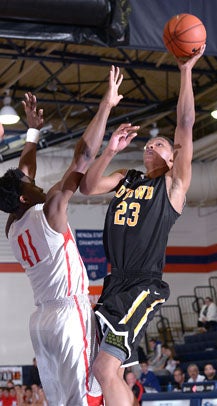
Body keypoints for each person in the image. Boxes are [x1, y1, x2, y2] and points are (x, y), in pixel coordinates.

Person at [79, 46, 206, 406]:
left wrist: (184, 71)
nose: (152, 144)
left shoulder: (173, 186)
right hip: (114, 281)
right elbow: (87, 187)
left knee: (105, 369)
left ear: (172, 157)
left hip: (143, 284)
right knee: (102, 371)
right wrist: (109, 152)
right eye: (149, 142)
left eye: (161, 143)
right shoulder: (126, 177)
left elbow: (184, 125)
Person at [0, 66, 128, 406]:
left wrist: (32, 133)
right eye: (32, 185)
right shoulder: (52, 210)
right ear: (26, 196)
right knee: (84, 399)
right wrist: (106, 105)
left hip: (40, 321)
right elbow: (83, 157)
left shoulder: (13, 224)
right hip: (69, 314)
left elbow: (23, 172)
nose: (37, 181)